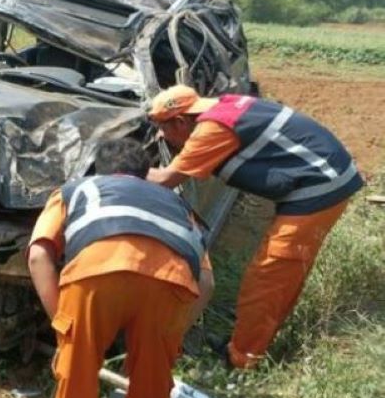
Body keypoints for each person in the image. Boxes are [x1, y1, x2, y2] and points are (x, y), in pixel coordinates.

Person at [146, 84, 364, 369]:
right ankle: (255, 341)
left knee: (269, 276)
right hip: (327, 175)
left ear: (180, 121)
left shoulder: (211, 131)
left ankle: (242, 360)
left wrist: (120, 168)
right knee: (284, 274)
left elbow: (165, 179)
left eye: (162, 128)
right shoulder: (226, 106)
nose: (160, 136)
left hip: (319, 189)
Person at [27, 138, 214, 398]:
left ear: (99, 171)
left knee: (77, 375)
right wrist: (169, 332)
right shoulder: (179, 205)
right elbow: (206, 282)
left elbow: (38, 255)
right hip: (169, 280)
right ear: (145, 173)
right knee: (151, 378)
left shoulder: (74, 190)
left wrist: (62, 323)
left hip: (94, 274)